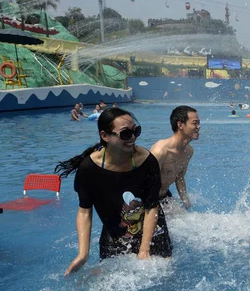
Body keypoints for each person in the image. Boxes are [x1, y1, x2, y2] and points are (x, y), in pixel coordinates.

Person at [54, 108, 172, 276]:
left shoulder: (146, 161)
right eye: (125, 134)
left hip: (152, 228)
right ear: (105, 136)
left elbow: (151, 207)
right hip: (116, 231)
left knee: (162, 276)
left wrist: (144, 250)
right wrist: (83, 254)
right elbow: (84, 211)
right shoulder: (89, 168)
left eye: (135, 131)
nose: (132, 137)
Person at [150, 105, 200, 209]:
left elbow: (180, 177)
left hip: (165, 196)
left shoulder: (188, 151)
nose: (198, 127)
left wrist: (186, 202)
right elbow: (146, 183)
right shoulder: (160, 151)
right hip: (149, 199)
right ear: (180, 124)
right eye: (195, 123)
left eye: (199, 123)